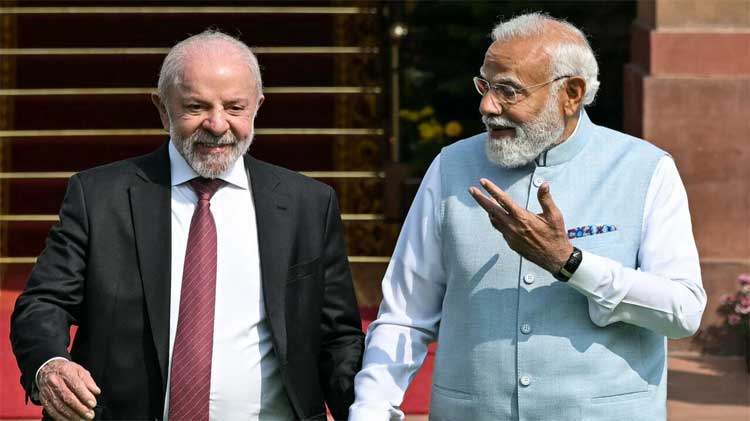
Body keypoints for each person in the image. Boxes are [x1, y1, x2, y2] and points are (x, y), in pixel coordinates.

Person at [349, 13, 706, 421]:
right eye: (485, 86)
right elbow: (404, 317)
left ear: (571, 93)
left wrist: (571, 263)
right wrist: (370, 409)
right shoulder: (451, 167)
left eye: (508, 90)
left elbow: (683, 312)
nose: (487, 106)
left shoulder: (645, 170)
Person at [11, 30, 364, 421]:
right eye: (196, 107)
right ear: (162, 109)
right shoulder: (100, 197)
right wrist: (51, 364)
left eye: (235, 107)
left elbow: (338, 338)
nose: (217, 124)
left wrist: (368, 408)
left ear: (257, 107)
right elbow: (43, 303)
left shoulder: (308, 204)